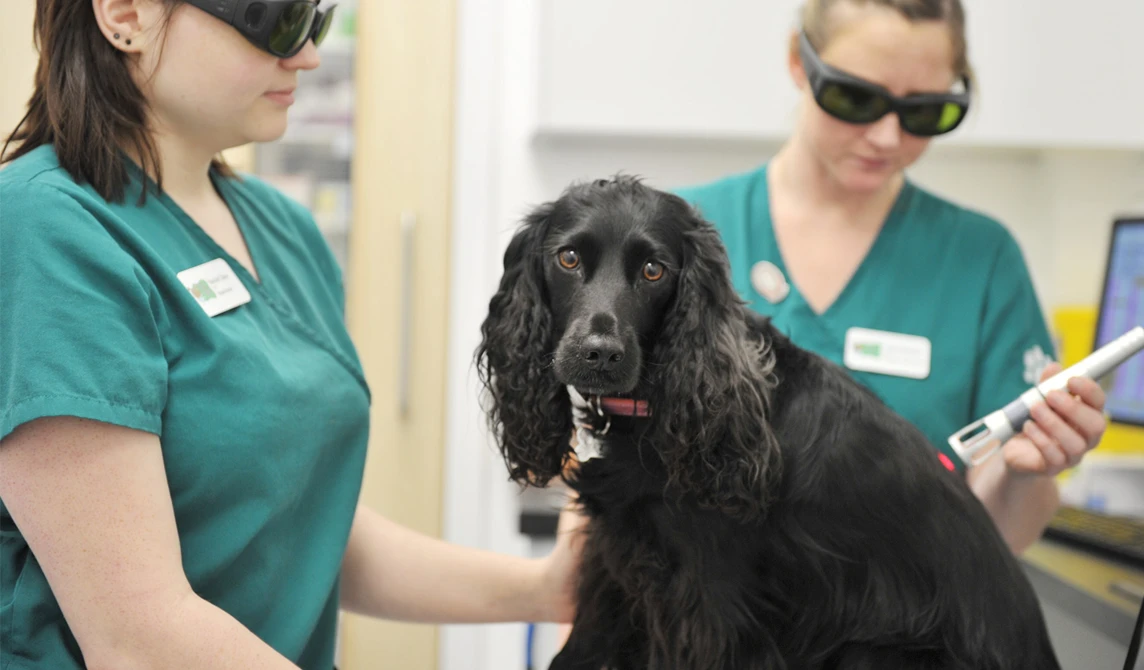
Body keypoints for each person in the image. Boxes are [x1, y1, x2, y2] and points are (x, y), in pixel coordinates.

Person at [0, 2, 581, 669]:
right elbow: (137, 636)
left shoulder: (284, 230)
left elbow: (308, 529)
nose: (305, 55)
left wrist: (545, 589)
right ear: (126, 14)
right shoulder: (43, 229)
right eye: (275, 17)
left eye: (317, 20)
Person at [674, 0, 1107, 554]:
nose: (886, 137)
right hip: (709, 624)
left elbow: (998, 542)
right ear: (798, 62)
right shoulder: (683, 237)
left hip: (906, 626)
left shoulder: (981, 259)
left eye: (924, 112)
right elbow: (610, 491)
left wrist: (1026, 472)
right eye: (856, 98)